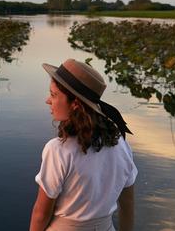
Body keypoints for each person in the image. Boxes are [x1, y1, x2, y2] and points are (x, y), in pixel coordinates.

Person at [30, 58, 137, 231]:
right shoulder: (122, 146)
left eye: (54, 94)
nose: (48, 100)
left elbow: (41, 214)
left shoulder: (58, 150)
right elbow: (128, 203)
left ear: (75, 104)